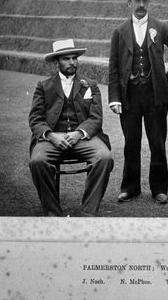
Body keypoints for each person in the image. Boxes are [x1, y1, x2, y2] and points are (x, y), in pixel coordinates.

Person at [108, 0, 168, 204]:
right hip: (129, 97)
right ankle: (130, 187)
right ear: (128, 2)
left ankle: (159, 188)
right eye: (137, 0)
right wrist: (114, 98)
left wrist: (164, 80)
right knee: (130, 143)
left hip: (155, 96)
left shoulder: (159, 27)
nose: (141, 4)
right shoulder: (119, 32)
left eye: (145, 0)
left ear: (149, 3)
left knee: (157, 143)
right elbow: (113, 68)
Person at [29, 39, 113, 217]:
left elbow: (96, 118)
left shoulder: (90, 85)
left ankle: (88, 214)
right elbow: (35, 119)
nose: (72, 62)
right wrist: (51, 136)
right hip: (52, 139)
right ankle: (53, 215)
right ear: (56, 62)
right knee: (38, 161)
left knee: (104, 157)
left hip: (83, 138)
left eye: (74, 58)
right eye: (66, 59)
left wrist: (78, 133)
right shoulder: (43, 86)